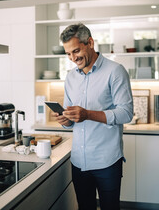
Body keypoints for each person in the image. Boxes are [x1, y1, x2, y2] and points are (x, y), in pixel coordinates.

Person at [52, 23, 133, 210]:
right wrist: (66, 120)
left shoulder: (115, 71)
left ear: (90, 42)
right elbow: (72, 119)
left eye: (76, 51)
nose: (73, 58)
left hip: (107, 161)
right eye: (68, 54)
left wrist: (87, 114)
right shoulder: (71, 77)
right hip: (79, 161)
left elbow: (126, 113)